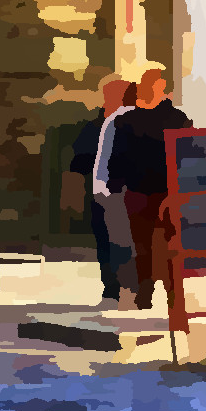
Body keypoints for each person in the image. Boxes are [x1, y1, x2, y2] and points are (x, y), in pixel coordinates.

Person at [100, 64, 194, 309]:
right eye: (146, 82)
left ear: (162, 86)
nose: (149, 87)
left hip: (164, 192)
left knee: (165, 244)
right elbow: (118, 156)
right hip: (145, 191)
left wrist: (114, 181)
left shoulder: (174, 118)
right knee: (147, 245)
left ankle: (165, 291)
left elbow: (188, 154)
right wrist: (114, 182)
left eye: (153, 82)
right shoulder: (132, 120)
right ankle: (152, 290)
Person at [61, 72, 131, 305]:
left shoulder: (126, 124)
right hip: (106, 194)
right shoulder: (95, 127)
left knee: (121, 242)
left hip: (128, 194)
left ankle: (122, 287)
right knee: (106, 240)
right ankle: (112, 286)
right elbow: (78, 163)